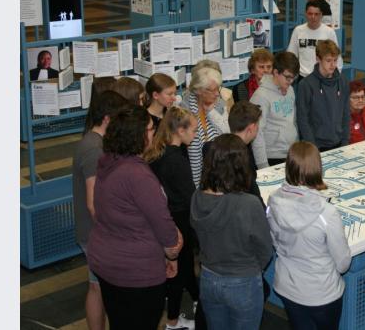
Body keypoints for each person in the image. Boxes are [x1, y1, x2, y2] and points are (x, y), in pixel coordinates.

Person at [87, 106, 183, 330]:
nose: (154, 132)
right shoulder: (138, 176)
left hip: (107, 263)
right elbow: (163, 225)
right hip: (136, 273)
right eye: (150, 129)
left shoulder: (108, 161)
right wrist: (174, 249)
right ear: (138, 136)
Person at [190, 134, 274, 330]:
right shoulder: (248, 203)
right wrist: (252, 269)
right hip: (243, 282)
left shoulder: (196, 197)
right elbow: (265, 249)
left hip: (208, 279)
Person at [266, 141, 351, 330]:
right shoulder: (327, 213)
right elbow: (343, 263)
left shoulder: (273, 201)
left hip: (288, 288)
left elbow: (274, 241)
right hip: (322, 292)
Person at [72, 91, 128, 330]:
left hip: (96, 233)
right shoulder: (93, 149)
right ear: (107, 118)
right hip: (97, 233)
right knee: (97, 287)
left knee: (97, 286)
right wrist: (111, 235)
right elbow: (93, 203)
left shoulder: (96, 143)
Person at [144, 107, 200, 330]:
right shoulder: (176, 161)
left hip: (167, 217)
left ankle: (196, 300)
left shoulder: (158, 153)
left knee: (184, 267)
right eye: (193, 131)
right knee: (177, 271)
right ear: (180, 130)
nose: (195, 136)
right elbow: (190, 196)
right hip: (180, 221)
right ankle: (173, 321)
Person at [296, 40, 350, 152]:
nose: (333, 65)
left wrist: (345, 141)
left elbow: (346, 113)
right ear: (318, 59)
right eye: (328, 60)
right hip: (316, 146)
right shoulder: (306, 85)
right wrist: (312, 146)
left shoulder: (343, 81)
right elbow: (302, 119)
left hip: (339, 143)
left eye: (335, 60)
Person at [181, 64, 230, 187]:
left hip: (220, 170)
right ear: (198, 90)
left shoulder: (218, 103)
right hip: (196, 177)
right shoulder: (184, 110)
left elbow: (228, 134)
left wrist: (211, 112)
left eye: (217, 89)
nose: (217, 94)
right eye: (212, 90)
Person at [251, 51, 300, 168]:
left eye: (294, 77)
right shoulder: (260, 96)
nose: (291, 81)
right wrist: (263, 165)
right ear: (276, 72)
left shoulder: (290, 90)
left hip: (291, 152)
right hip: (272, 156)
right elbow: (257, 133)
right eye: (288, 77)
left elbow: (293, 121)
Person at [287, 0, 341, 78]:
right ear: (305, 14)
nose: (313, 17)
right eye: (310, 14)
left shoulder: (329, 32)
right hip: (303, 76)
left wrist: (336, 76)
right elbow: (291, 54)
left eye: (316, 14)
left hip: (323, 77)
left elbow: (337, 56)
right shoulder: (298, 30)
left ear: (321, 15)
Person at [227, 101, 265, 204]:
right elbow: (253, 193)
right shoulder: (243, 156)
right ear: (251, 128)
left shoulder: (223, 149)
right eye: (257, 126)